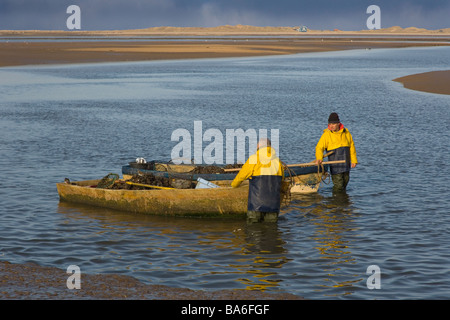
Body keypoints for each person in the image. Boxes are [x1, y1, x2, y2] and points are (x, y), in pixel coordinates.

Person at [231, 138, 284, 223]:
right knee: (272, 230)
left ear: (258, 147)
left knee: (253, 229)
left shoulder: (254, 159)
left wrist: (233, 185)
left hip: (256, 205)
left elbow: (241, 176)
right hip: (273, 205)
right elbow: (282, 180)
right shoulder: (278, 161)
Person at [315, 112, 357, 192]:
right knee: (338, 185)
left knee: (345, 182)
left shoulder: (346, 133)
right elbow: (319, 147)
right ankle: (336, 201)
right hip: (335, 166)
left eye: (333, 124)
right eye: (330, 124)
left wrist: (354, 161)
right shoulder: (326, 135)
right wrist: (319, 158)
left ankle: (343, 202)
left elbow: (352, 147)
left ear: (338, 123)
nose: (331, 126)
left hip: (346, 164)